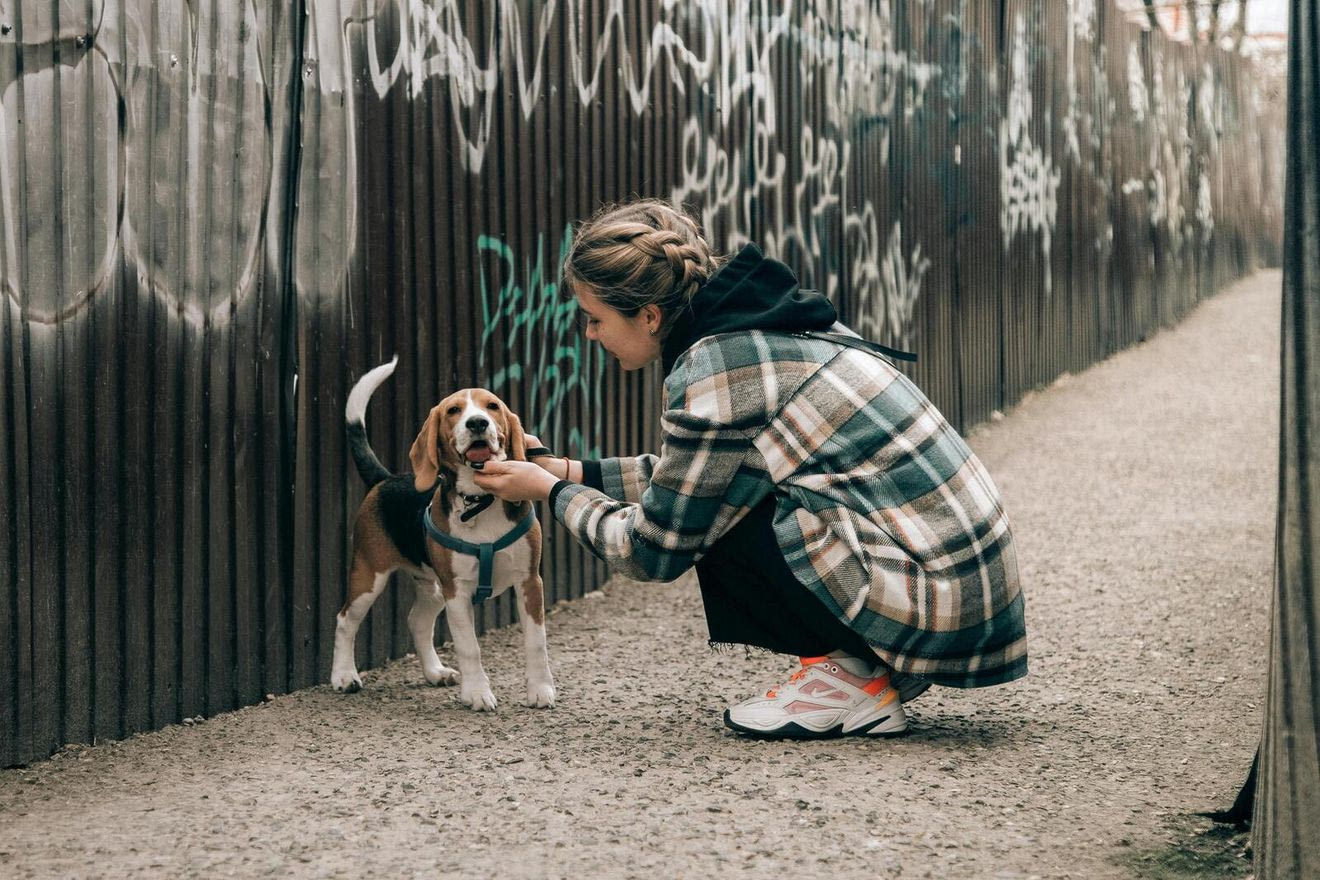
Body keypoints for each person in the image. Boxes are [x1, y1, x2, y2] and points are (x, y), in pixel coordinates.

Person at [473, 199, 1027, 739]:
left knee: (717, 521)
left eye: (594, 319)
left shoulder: (716, 366)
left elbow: (653, 549)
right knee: (724, 496)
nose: (589, 334)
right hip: (961, 590)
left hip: (940, 606)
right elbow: (692, 474)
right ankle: (870, 667)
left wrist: (548, 490)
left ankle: (849, 676)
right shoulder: (758, 321)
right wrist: (568, 469)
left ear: (648, 315)